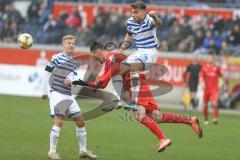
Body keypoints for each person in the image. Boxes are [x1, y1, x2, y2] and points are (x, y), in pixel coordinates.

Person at [73, 41, 203, 153]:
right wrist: (85, 83)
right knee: (156, 116)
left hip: (136, 83)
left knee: (139, 115)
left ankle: (163, 139)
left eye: (95, 56)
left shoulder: (112, 57)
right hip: (138, 83)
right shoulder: (109, 62)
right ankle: (189, 121)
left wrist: (113, 95)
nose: (96, 60)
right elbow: (103, 83)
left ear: (98, 51)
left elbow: (110, 76)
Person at [41, 35, 97, 159]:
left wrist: (70, 79)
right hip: (56, 93)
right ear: (63, 44)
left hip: (68, 94)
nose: (71, 45)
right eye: (69, 43)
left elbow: (75, 77)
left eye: (73, 43)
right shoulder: (56, 57)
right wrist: (44, 91)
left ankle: (83, 150)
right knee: (59, 121)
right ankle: (52, 151)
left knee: (80, 121)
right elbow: (46, 72)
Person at [116, 1, 162, 107]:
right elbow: (129, 33)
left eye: (136, 12)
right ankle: (118, 99)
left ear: (143, 12)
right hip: (139, 51)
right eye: (132, 12)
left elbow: (158, 23)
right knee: (120, 70)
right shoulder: (130, 21)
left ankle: (134, 101)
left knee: (134, 68)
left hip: (150, 51)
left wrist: (154, 16)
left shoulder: (149, 20)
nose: (133, 14)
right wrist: (123, 45)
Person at [199, 54, 223, 125]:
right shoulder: (204, 68)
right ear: (207, 59)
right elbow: (201, 77)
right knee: (205, 104)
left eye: (211, 58)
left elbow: (221, 76)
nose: (209, 59)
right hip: (206, 89)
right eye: (208, 58)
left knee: (214, 103)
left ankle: (215, 119)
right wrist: (202, 83)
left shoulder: (216, 68)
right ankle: (206, 119)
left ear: (213, 59)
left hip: (214, 89)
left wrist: (221, 84)